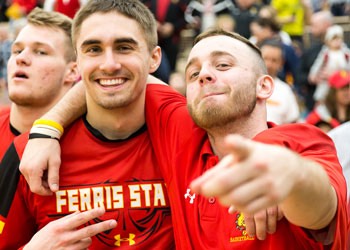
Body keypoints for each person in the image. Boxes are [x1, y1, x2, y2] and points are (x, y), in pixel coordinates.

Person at [19, 28, 347, 249]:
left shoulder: (303, 141)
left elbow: (323, 211)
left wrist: (291, 177)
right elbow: (114, 74)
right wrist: (48, 127)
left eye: (223, 64)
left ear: (264, 86)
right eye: (193, 72)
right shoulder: (180, 131)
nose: (204, 74)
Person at [0, 1, 174, 249]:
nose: (109, 63)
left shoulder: (185, 132)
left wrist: (48, 125)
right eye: (93, 49)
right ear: (79, 63)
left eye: (124, 47)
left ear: (154, 58)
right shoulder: (25, 154)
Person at [0, 7, 79, 160]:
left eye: (40, 52)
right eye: (17, 50)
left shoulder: (93, 139)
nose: (21, 58)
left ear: (72, 72)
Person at [260, 40, 300, 124]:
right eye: (265, 58)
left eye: (274, 60)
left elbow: (292, 122)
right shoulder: (244, 83)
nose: (268, 64)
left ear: (281, 64)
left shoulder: (285, 91)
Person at [308, 25, 350, 104]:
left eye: (339, 38)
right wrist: (314, 75)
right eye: (334, 39)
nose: (337, 41)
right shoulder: (326, 54)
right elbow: (317, 65)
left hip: (343, 81)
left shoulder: (345, 53)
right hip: (327, 82)